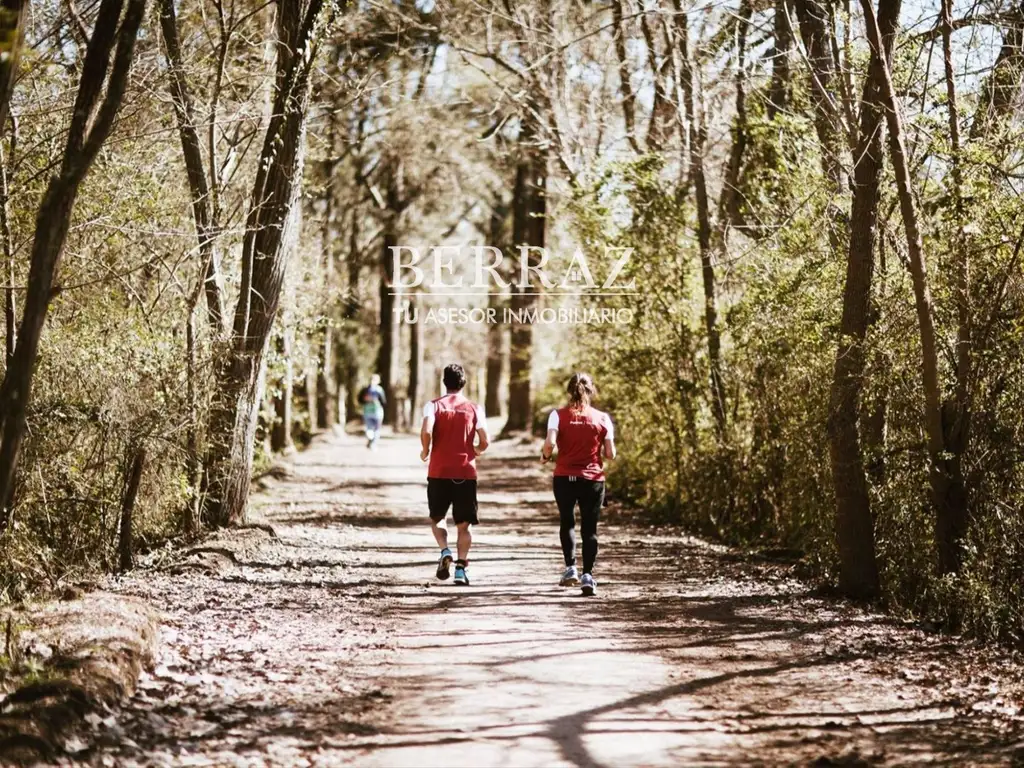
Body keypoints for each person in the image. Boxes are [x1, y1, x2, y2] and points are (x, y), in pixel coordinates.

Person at [541, 372, 616, 596]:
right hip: (592, 479)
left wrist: (545, 456)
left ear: (568, 391)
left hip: (564, 477)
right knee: (590, 528)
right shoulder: (602, 418)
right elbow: (610, 454)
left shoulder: (558, 415)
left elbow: (550, 443)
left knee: (567, 521)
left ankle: (570, 568)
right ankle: (588, 576)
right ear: (591, 391)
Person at [420, 363, 489, 586]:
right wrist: (476, 450)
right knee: (464, 525)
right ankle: (460, 569)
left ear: (444, 382)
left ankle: (444, 551)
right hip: (465, 472)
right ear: (463, 383)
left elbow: (426, 430)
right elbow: (485, 440)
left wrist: (425, 449)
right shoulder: (474, 408)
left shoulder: (433, 406)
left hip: (439, 471)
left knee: (438, 518)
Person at [359, 374, 386, 449]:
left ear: (378, 381)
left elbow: (384, 402)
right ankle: (371, 440)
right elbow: (360, 400)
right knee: (369, 429)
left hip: (378, 412)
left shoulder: (380, 390)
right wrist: (365, 400)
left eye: (375, 379)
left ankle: (373, 444)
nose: (372, 381)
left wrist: (377, 401)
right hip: (368, 412)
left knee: (377, 429)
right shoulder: (365, 390)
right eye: (372, 379)